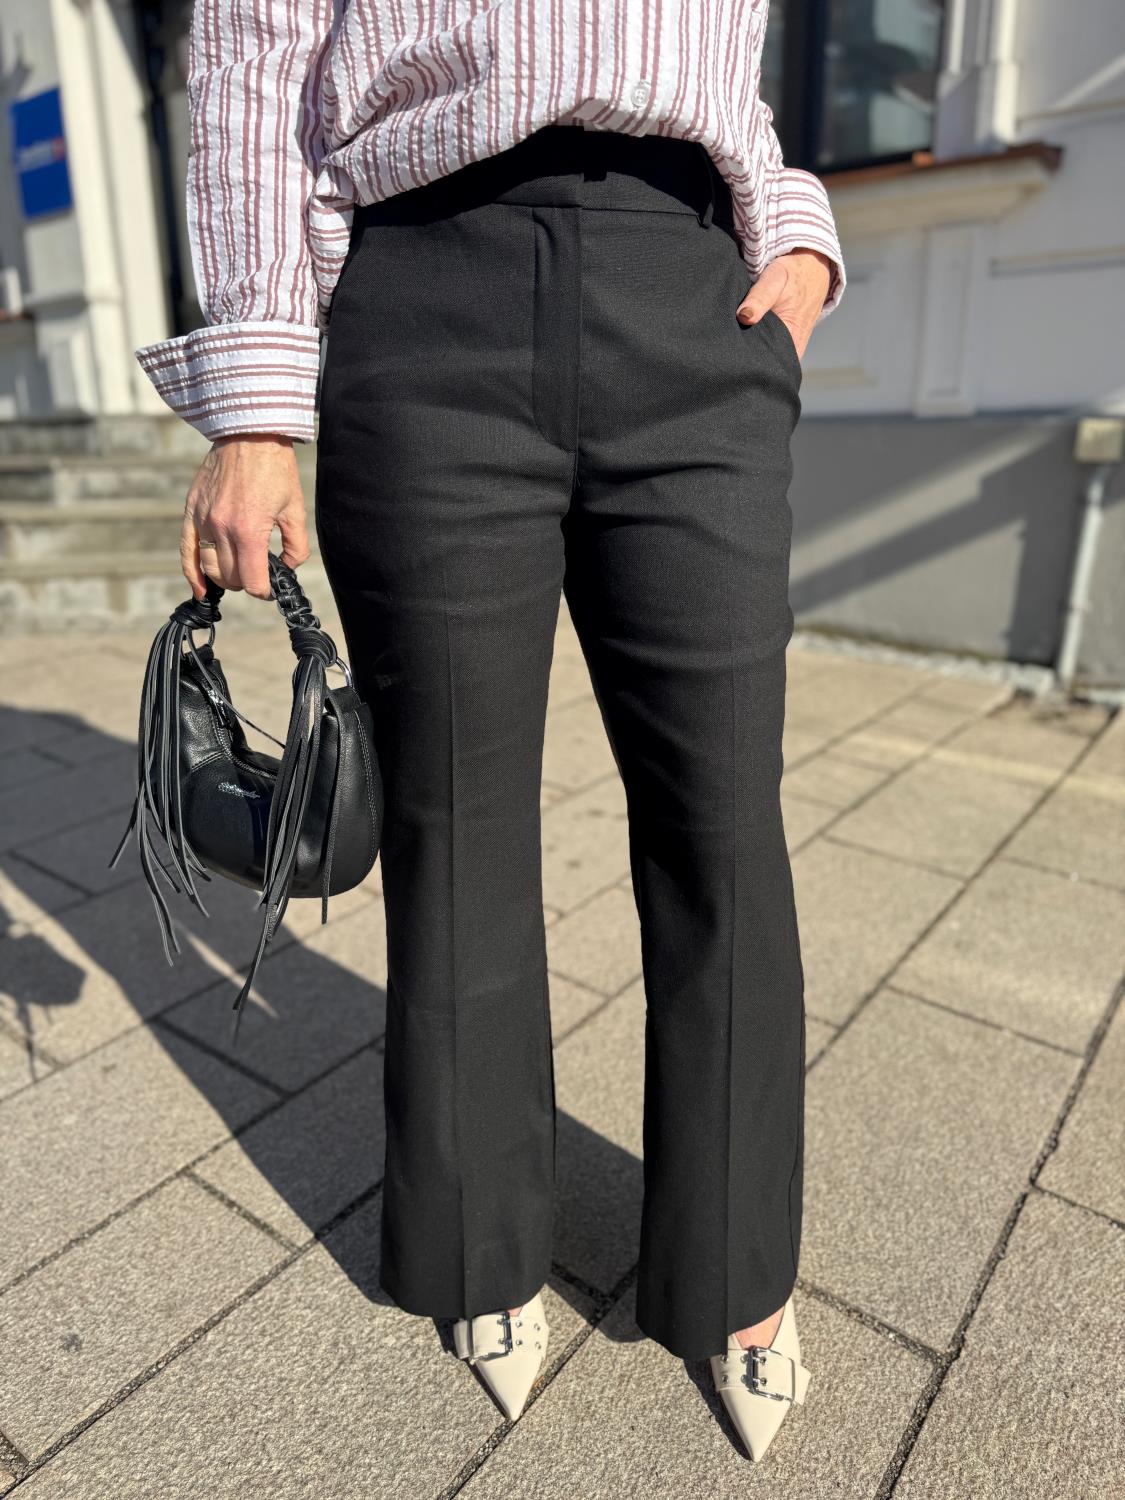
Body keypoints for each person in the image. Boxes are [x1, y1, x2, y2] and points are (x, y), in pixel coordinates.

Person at [137, 0, 845, 1464]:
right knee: (452, 826)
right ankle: (479, 1242)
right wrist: (254, 417)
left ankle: (735, 1271)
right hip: (422, 303)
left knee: (722, 821)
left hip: (692, 301)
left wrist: (797, 234)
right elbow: (255, 64)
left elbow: (729, 70)